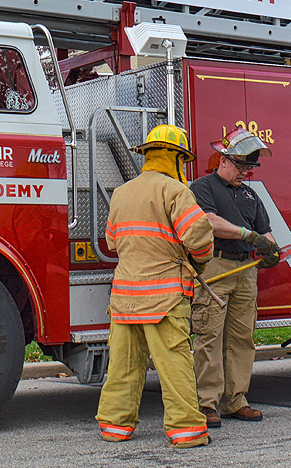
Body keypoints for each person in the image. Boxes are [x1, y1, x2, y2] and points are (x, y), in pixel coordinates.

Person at [96, 124, 215, 449]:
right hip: (164, 300)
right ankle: (187, 431)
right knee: (175, 366)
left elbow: (111, 242)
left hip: (124, 300)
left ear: (148, 155)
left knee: (122, 367)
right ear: (176, 157)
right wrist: (199, 262)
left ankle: (114, 427)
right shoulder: (176, 191)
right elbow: (199, 238)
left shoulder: (122, 193)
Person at [188, 126, 281, 427]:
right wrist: (249, 235)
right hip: (214, 267)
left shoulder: (250, 194)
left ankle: (236, 400)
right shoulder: (203, 187)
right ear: (223, 160)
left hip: (245, 271)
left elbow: (265, 231)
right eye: (241, 166)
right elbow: (209, 222)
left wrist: (272, 250)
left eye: (249, 168)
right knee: (209, 336)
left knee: (242, 337)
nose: (245, 172)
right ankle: (207, 404)